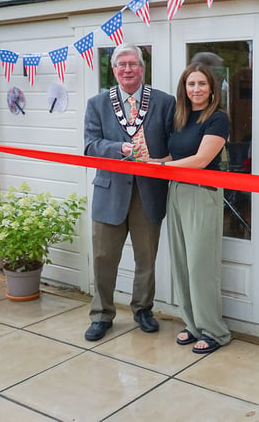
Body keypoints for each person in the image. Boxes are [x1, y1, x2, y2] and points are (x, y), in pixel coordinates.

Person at [83, 44, 175, 341]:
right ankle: (101, 314)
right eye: (121, 64)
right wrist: (119, 148)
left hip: (148, 192)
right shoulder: (97, 103)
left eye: (132, 64)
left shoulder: (165, 102)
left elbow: (173, 145)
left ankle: (143, 309)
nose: (127, 69)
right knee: (103, 257)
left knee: (146, 258)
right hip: (110, 192)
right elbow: (90, 147)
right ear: (113, 70)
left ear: (142, 67)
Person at [148, 62, 231, 354]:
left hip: (202, 193)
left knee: (200, 266)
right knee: (182, 263)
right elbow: (176, 153)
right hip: (177, 191)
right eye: (191, 84)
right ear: (184, 88)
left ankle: (215, 331)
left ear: (212, 89)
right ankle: (194, 325)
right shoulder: (180, 117)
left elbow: (198, 160)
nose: (196, 89)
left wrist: (161, 167)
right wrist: (152, 159)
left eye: (201, 84)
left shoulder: (218, 119)